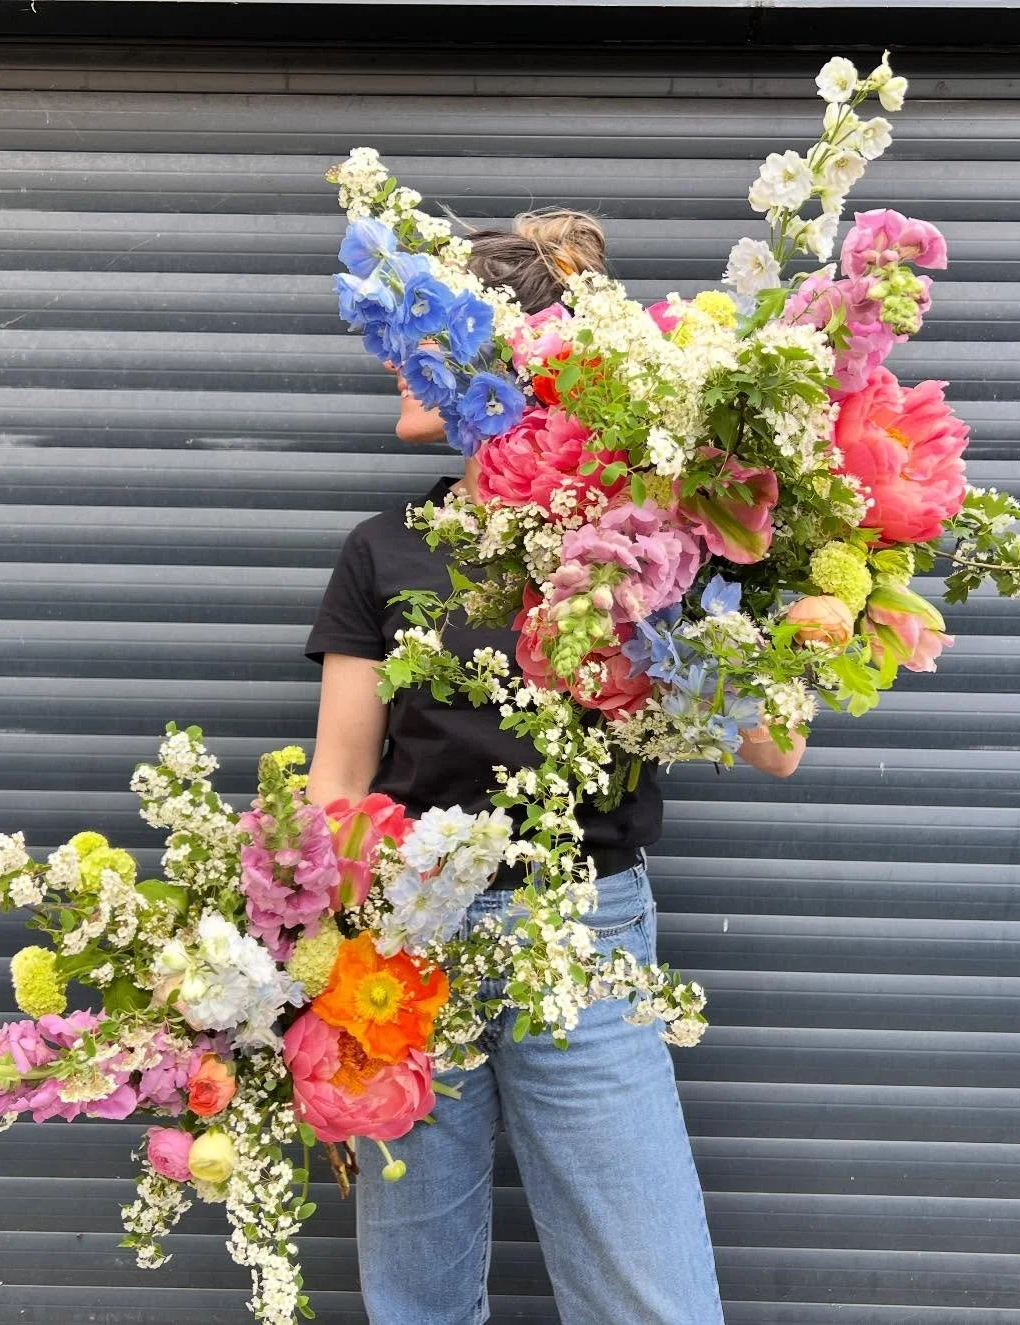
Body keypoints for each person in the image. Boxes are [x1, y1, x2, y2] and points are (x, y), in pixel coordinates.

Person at [304, 209, 805, 1325]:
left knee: (649, 1297)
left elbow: (775, 744)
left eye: (414, 339)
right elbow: (338, 784)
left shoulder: (649, 538)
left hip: (585, 935)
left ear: (508, 354)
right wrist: (310, 965)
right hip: (407, 947)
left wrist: (661, 604)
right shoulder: (381, 550)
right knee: (414, 1297)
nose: (396, 361)